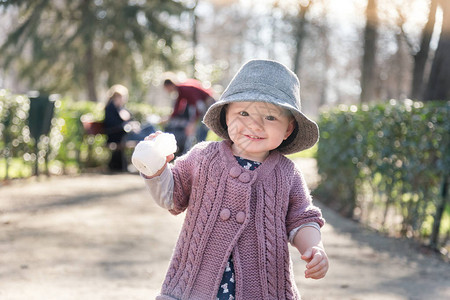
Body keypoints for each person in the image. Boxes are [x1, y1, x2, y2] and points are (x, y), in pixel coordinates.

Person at [141, 60, 328, 299]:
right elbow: (172, 196)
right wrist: (157, 169)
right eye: (243, 113)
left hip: (262, 289)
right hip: (194, 286)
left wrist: (313, 247)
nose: (254, 124)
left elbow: (302, 218)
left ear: (288, 129)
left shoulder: (287, 174)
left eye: (270, 117)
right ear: (226, 115)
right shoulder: (203, 158)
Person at [103, 84, 155, 171]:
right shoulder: (111, 109)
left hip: (129, 133)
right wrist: (128, 126)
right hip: (120, 136)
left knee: (150, 127)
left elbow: (130, 119)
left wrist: (132, 124)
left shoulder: (121, 108)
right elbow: (112, 125)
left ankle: (151, 161)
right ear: (117, 97)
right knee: (148, 137)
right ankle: (150, 162)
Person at [163, 78, 215, 155]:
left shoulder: (184, 89)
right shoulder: (180, 91)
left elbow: (198, 105)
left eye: (166, 88)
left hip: (208, 103)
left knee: (203, 127)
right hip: (202, 105)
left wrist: (192, 124)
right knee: (197, 129)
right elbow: (178, 107)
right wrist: (169, 118)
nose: (167, 91)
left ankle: (203, 151)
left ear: (170, 85)